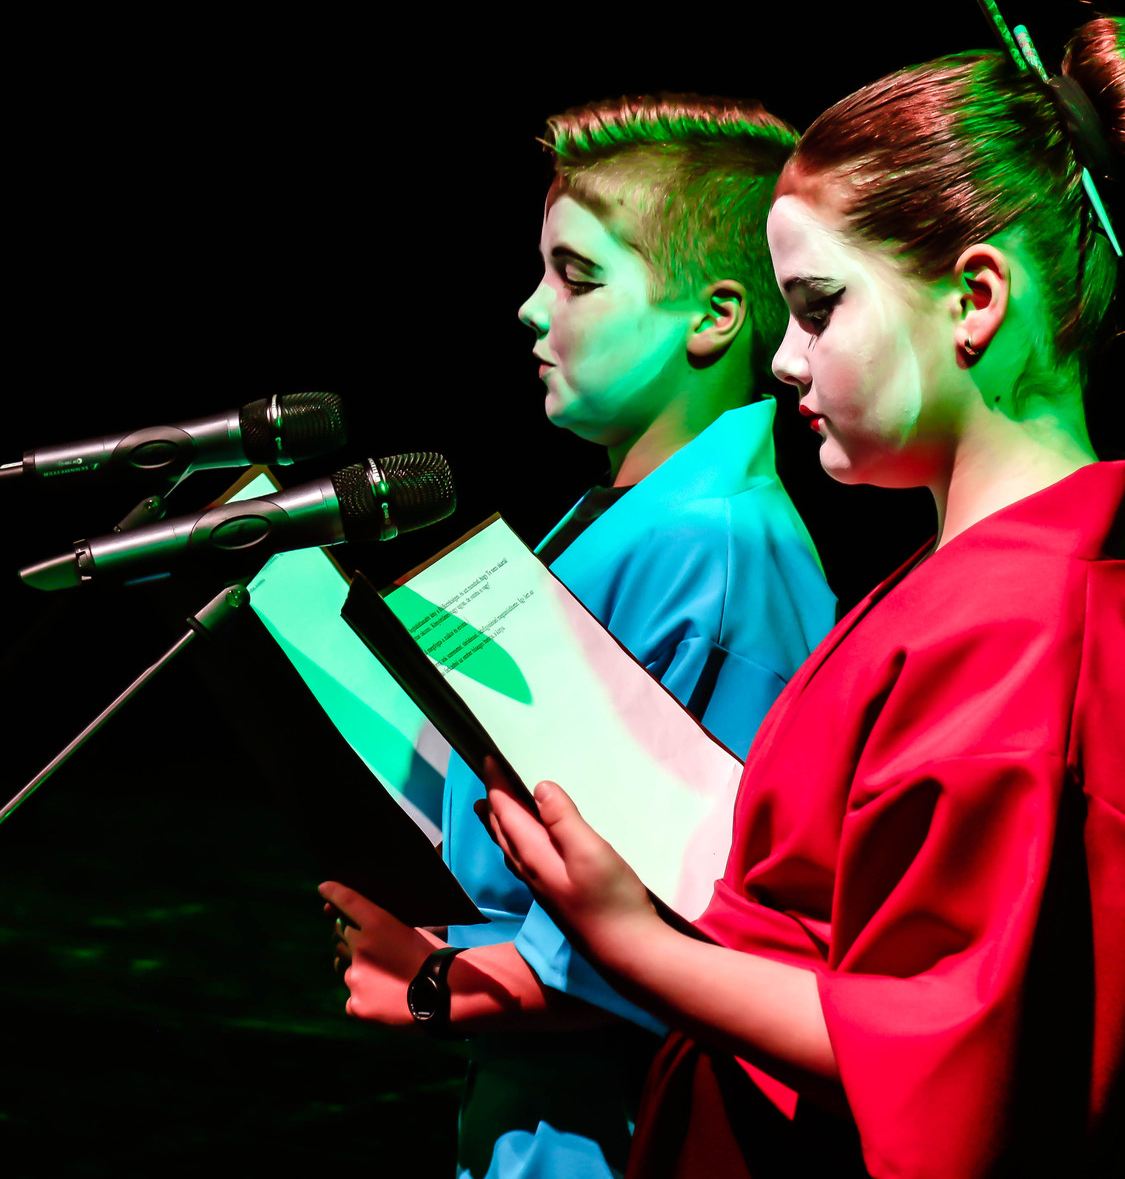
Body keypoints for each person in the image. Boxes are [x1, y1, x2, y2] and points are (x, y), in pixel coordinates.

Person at [479, 10, 1125, 1177]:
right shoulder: (976, 589)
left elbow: (940, 1047)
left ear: (975, 298)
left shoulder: (1025, 630)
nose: (784, 357)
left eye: (820, 304)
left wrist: (629, 937)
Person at [322, 94, 836, 1179]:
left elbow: (700, 917)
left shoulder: (722, 549)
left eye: (579, 276)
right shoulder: (627, 517)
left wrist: (435, 982)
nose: (530, 308)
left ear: (715, 316)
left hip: (619, 1133)